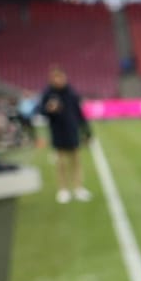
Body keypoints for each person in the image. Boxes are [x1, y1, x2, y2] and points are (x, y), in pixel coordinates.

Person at [36, 65, 91, 202]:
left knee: (76, 160)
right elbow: (41, 111)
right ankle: (63, 189)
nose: (60, 80)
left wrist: (87, 130)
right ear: (52, 79)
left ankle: (78, 188)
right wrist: (49, 109)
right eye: (57, 77)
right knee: (60, 162)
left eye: (61, 77)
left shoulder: (71, 93)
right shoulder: (48, 93)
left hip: (72, 130)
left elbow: (79, 113)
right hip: (57, 130)